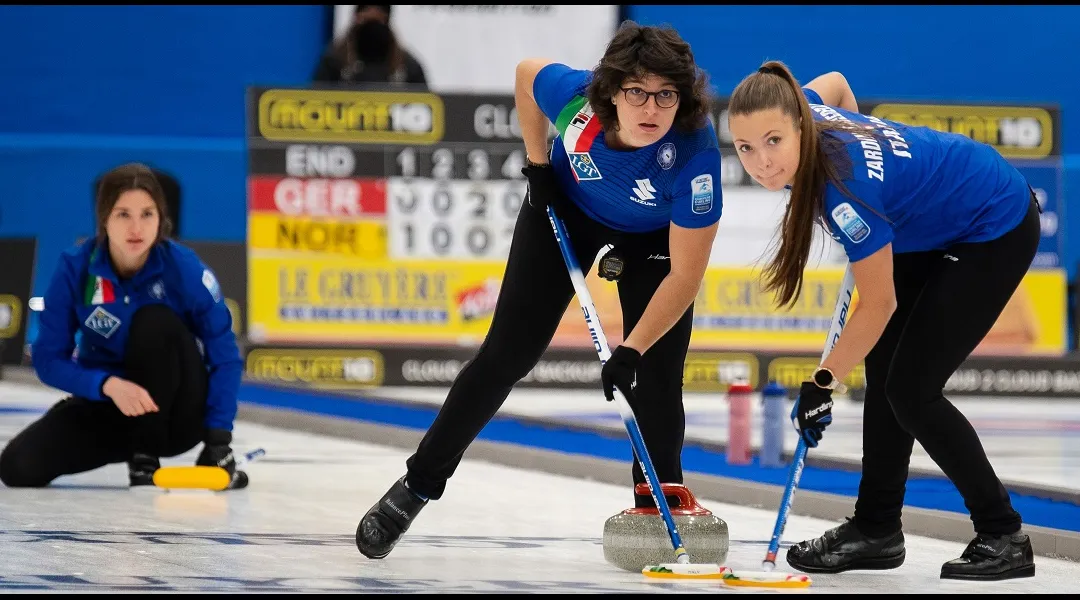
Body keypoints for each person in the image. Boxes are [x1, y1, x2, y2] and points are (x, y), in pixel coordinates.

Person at [355, 20, 723, 560]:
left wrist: (630, 350)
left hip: (652, 242)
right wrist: (537, 163)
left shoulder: (695, 152)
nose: (651, 109)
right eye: (637, 92)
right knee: (505, 356)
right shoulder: (577, 103)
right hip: (565, 213)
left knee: (658, 372)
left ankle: (656, 505)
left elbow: (685, 276)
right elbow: (527, 76)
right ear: (612, 90)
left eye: (667, 95)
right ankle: (415, 487)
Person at [726, 60, 1039, 581]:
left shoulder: (845, 190)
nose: (762, 162)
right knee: (886, 373)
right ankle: (876, 528)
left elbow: (879, 303)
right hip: (930, 223)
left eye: (774, 141)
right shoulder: (805, 105)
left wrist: (822, 382)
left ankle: (1004, 533)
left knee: (912, 390)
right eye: (745, 148)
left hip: (992, 222)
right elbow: (837, 82)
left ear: (801, 125)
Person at [0, 163, 247, 490]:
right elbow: (48, 360)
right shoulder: (76, 268)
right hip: (113, 406)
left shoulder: (184, 269)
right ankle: (134, 444)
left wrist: (218, 440)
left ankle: (145, 455)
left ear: (161, 219)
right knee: (18, 467)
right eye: (123, 214)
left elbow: (225, 355)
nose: (136, 227)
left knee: (153, 322)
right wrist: (105, 385)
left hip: (177, 416)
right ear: (104, 218)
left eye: (147, 214)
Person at [312, 4, 427, 88]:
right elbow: (316, 101)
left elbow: (425, 106)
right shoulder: (335, 60)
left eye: (378, 19)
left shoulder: (406, 65)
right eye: (365, 19)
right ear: (356, 17)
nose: (371, 26)